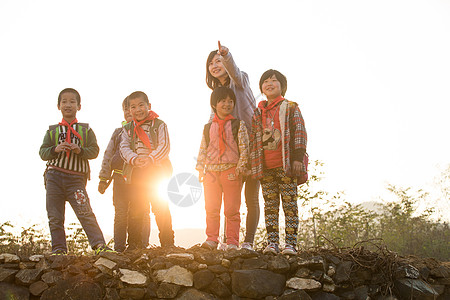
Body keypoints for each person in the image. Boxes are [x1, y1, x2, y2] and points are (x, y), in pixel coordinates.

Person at [39, 88, 112, 255]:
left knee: (85, 212)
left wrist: (80, 150)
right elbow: (42, 153)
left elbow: (94, 151)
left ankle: (100, 246)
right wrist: (55, 149)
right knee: (55, 216)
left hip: (76, 179)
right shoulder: (52, 131)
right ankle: (59, 250)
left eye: (72, 102)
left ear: (79, 106)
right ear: (58, 106)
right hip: (54, 177)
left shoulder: (85, 130)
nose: (68, 105)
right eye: (64, 101)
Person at [205, 41, 260, 250]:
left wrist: (226, 55)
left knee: (250, 196)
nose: (215, 65)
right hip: (229, 154)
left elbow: (235, 72)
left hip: (252, 145)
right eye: (211, 63)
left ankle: (248, 242)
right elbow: (213, 123)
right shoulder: (218, 94)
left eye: (218, 61)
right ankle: (229, 242)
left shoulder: (240, 80)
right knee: (231, 198)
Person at [250, 70, 307, 255]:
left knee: (290, 206)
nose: (269, 84)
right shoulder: (258, 112)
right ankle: (272, 243)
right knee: (270, 206)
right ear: (261, 88)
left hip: (286, 166)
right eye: (265, 81)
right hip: (265, 167)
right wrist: (253, 164)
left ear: (282, 86)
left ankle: (290, 244)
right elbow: (253, 139)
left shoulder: (290, 107)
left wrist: (298, 158)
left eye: (274, 81)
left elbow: (299, 131)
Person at [119, 91, 174, 250]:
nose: (138, 110)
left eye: (141, 105)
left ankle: (168, 242)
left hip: (155, 171)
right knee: (136, 207)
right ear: (129, 110)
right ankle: (134, 244)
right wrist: (135, 159)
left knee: (160, 206)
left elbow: (165, 146)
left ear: (149, 106)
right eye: (133, 107)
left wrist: (150, 159)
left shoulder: (159, 125)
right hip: (136, 171)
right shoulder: (128, 129)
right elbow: (123, 148)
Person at [196, 87, 249, 250]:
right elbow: (203, 148)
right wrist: (200, 168)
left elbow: (244, 146)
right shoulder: (207, 127)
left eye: (230, 101)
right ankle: (212, 238)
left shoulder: (238, 124)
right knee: (211, 207)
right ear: (214, 104)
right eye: (223, 101)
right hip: (211, 172)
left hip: (231, 170)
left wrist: (240, 167)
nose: (227, 104)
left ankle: (232, 241)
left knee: (232, 209)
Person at [98, 97, 151, 252]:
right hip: (120, 178)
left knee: (143, 212)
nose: (130, 112)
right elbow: (108, 156)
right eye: (126, 109)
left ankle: (141, 246)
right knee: (121, 213)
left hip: (142, 179)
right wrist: (103, 178)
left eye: (133, 108)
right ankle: (119, 248)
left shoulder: (149, 130)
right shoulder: (118, 133)